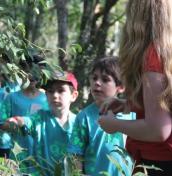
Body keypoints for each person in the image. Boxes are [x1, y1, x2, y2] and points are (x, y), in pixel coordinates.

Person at [98, 1, 172, 175]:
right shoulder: (166, 52)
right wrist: (127, 105)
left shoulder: (154, 57)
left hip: (160, 163)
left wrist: (114, 124)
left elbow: (158, 130)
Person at [2, 71, 79, 175]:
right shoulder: (39, 118)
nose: (55, 95)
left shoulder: (79, 123)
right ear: (46, 95)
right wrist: (16, 122)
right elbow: (24, 121)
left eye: (61, 91)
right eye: (50, 91)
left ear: (73, 96)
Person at [67, 57, 133, 176]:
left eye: (105, 79)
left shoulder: (131, 114)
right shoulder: (84, 117)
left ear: (121, 87)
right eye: (94, 78)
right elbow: (75, 155)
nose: (97, 83)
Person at [2, 55, 49, 172]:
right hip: (17, 158)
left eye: (37, 71)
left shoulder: (47, 99)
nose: (32, 76)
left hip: (42, 159)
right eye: (28, 71)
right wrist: (17, 125)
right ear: (21, 72)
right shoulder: (12, 97)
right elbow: (2, 124)